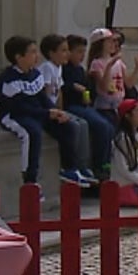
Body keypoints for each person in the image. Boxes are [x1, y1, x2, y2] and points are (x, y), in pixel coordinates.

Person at [0, 35, 87, 189]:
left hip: (37, 113)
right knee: (32, 133)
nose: (36, 56)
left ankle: (69, 169)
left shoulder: (35, 74)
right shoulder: (8, 78)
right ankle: (30, 179)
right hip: (15, 116)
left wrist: (54, 111)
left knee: (68, 126)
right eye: (32, 52)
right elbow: (19, 107)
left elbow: (42, 97)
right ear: (19, 57)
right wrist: (45, 114)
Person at [38, 33, 97, 185]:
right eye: (63, 50)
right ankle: (69, 167)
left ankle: (82, 166)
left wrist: (62, 110)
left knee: (82, 124)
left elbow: (59, 94)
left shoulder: (58, 69)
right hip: (46, 111)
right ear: (52, 53)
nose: (67, 54)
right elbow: (45, 94)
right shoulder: (46, 68)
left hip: (56, 111)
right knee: (73, 126)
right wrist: (54, 112)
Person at [61, 34, 116, 180]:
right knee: (101, 125)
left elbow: (88, 88)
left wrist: (88, 95)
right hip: (71, 105)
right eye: (79, 52)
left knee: (109, 126)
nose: (82, 55)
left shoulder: (79, 70)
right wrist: (72, 87)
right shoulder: (63, 69)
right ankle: (98, 165)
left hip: (84, 105)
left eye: (83, 52)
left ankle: (106, 163)